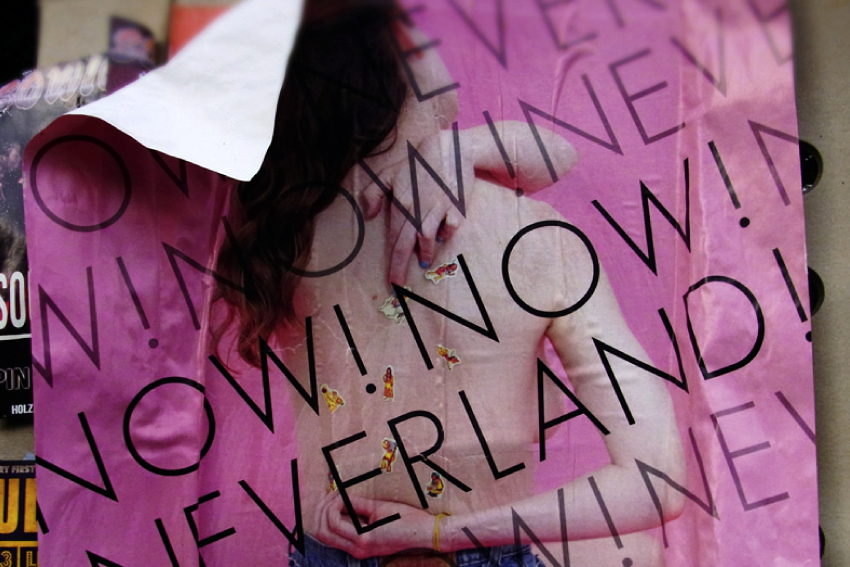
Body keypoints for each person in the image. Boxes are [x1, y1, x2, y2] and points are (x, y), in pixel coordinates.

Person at [214, 1, 685, 566]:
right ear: (388, 65)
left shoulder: (277, 234)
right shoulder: (538, 235)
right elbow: (656, 480)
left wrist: (462, 147)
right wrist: (445, 531)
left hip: (332, 547)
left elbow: (555, 154)